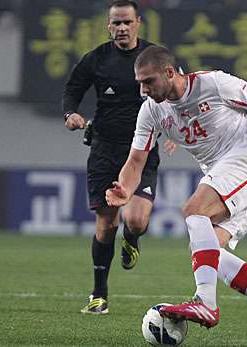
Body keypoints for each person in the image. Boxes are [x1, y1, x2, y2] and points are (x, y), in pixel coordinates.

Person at [106, 45, 247, 338]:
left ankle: (205, 302)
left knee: (193, 211)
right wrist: (125, 188)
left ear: (169, 72)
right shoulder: (151, 111)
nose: (144, 89)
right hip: (225, 172)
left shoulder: (212, 83)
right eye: (140, 83)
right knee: (208, 250)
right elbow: (136, 161)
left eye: (149, 81)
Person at [62, 0, 158, 314]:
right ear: (108, 25)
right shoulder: (97, 59)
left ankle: (133, 237)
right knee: (106, 224)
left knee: (136, 219)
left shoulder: (154, 58)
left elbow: (177, 94)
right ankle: (99, 294)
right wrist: (71, 112)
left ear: (138, 23)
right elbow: (72, 89)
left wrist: (174, 132)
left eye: (127, 22)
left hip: (142, 151)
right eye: (115, 23)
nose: (121, 29)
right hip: (104, 148)